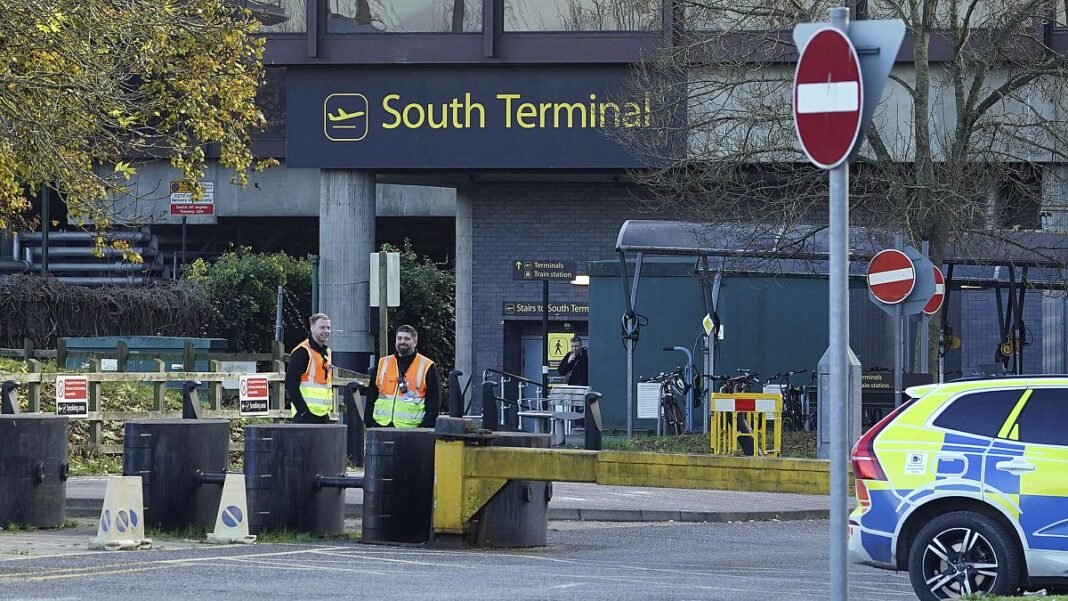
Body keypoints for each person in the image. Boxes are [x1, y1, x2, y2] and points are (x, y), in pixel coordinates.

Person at [364, 324, 442, 429]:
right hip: (381, 427)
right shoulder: (384, 363)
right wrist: (369, 422)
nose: (402, 342)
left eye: (407, 339)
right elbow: (371, 395)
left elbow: (434, 401)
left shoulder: (427, 366)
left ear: (415, 342)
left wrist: (424, 428)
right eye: (399, 338)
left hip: (413, 430)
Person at [285, 313, 334, 424]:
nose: (326, 331)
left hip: (323, 414)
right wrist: (303, 411)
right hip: (305, 415)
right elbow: (290, 383)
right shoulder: (302, 351)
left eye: (328, 328)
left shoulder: (327, 352)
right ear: (312, 328)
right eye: (322, 327)